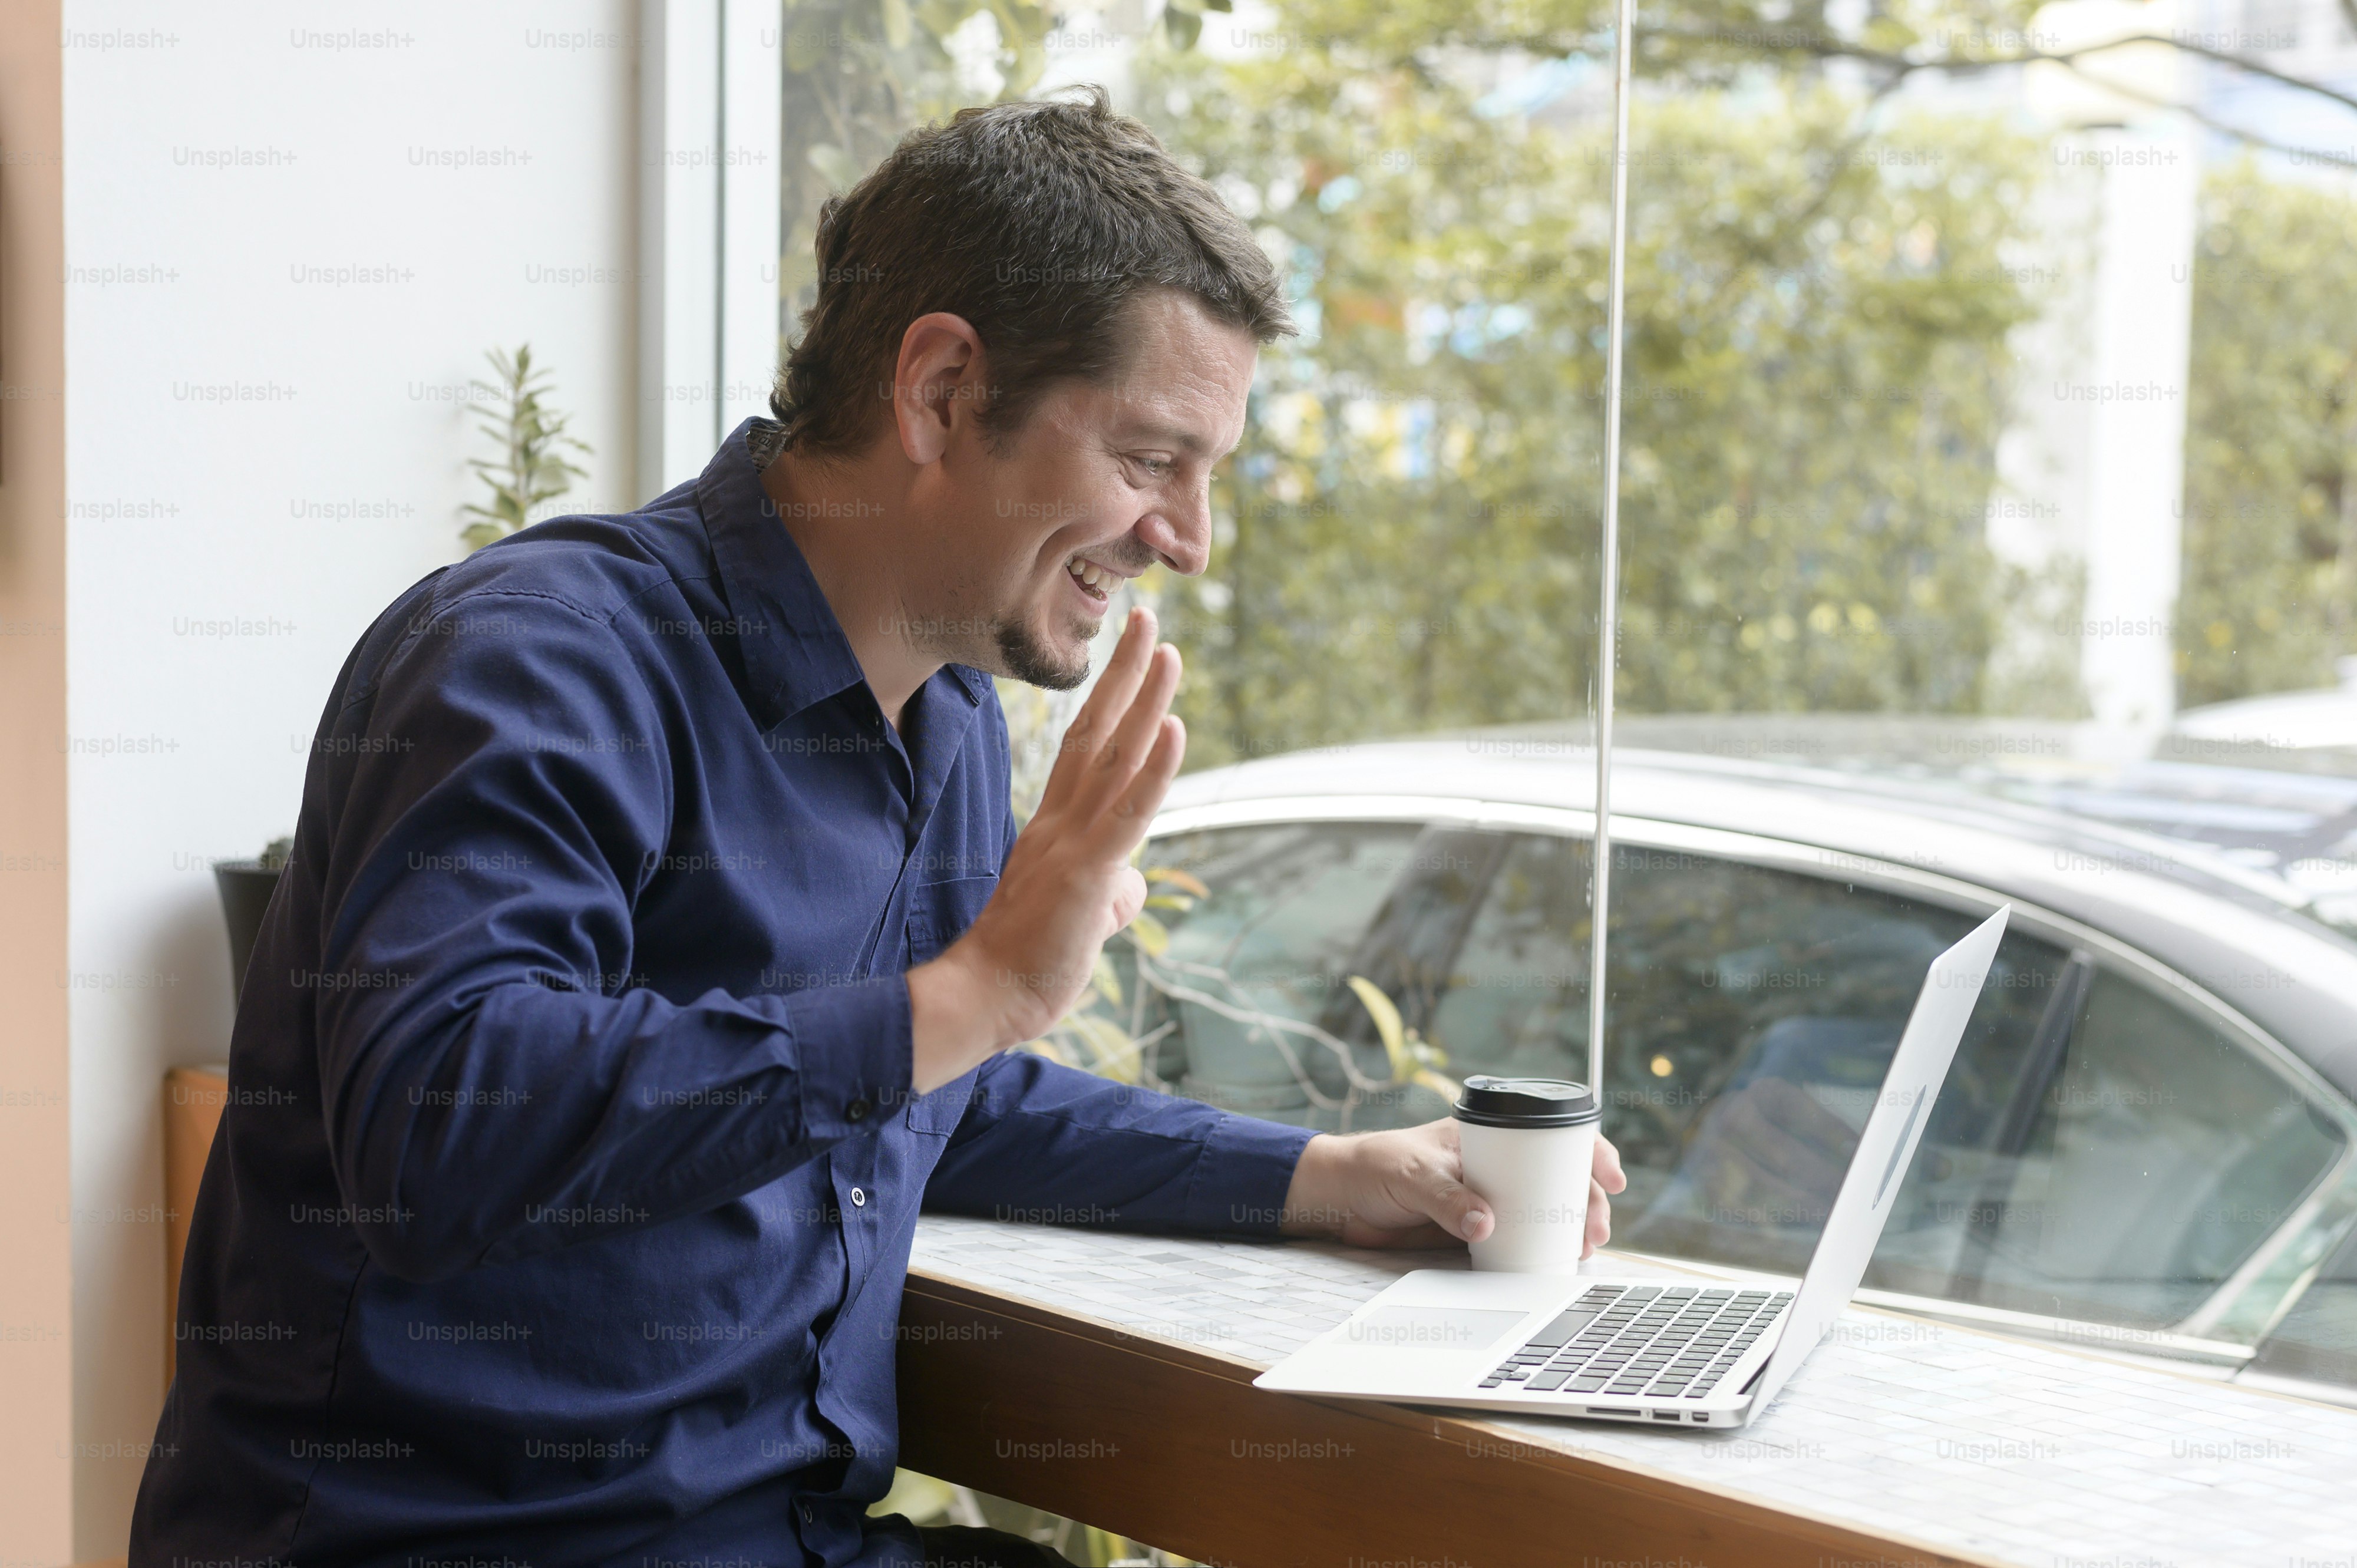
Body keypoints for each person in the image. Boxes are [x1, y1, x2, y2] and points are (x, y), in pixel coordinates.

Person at [130, 88, 1624, 1568]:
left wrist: (1317, 1173)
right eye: (1152, 457)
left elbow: (924, 1085)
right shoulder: (540, 656)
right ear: (941, 391)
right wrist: (967, 993)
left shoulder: (946, 717)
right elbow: (434, 1128)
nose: (1188, 536)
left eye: (1205, 474)